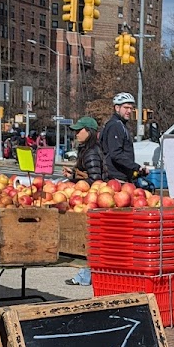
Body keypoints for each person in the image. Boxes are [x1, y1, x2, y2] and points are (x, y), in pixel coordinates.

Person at [64, 117, 108, 287]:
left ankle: (85, 276)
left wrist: (75, 180)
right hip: (89, 199)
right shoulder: (88, 150)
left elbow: (95, 179)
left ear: (88, 132)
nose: (76, 134)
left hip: (91, 201)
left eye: (79, 130)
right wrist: (74, 175)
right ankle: (85, 276)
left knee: (91, 240)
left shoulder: (90, 152)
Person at [100, 92, 147, 182]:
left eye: (131, 108)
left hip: (122, 175)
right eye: (126, 108)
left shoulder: (120, 125)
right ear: (117, 108)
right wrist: (136, 167)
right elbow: (116, 154)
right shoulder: (115, 125)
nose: (129, 111)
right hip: (116, 177)